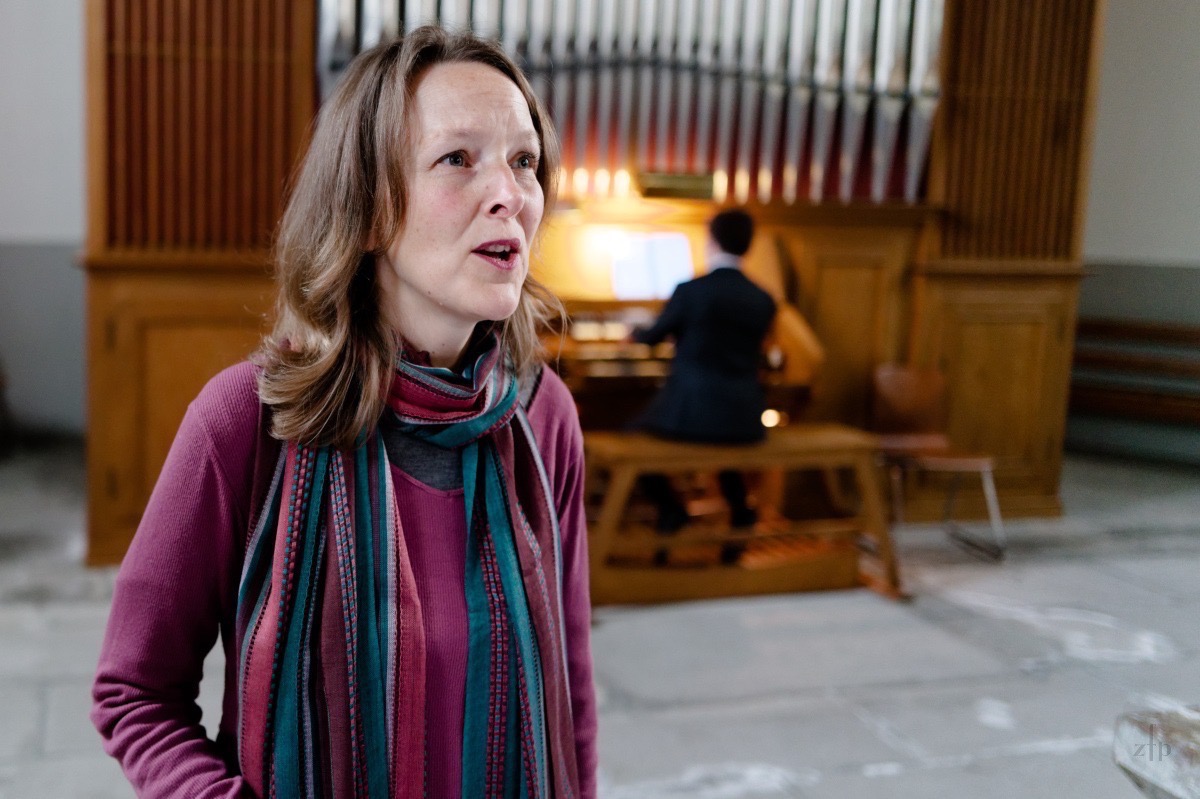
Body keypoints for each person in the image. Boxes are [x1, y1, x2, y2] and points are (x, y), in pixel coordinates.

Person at [91, 26, 596, 799]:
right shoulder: (248, 419)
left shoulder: (541, 415)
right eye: (458, 158)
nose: (511, 195)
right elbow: (134, 691)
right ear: (367, 208)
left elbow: (570, 688)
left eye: (524, 161)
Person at [631, 209, 777, 550]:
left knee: (629, 434)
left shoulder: (690, 290)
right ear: (749, 244)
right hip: (745, 419)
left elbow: (651, 338)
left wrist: (633, 330)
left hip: (693, 413)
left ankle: (671, 509)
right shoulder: (764, 298)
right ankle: (741, 511)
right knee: (724, 447)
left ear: (711, 241)